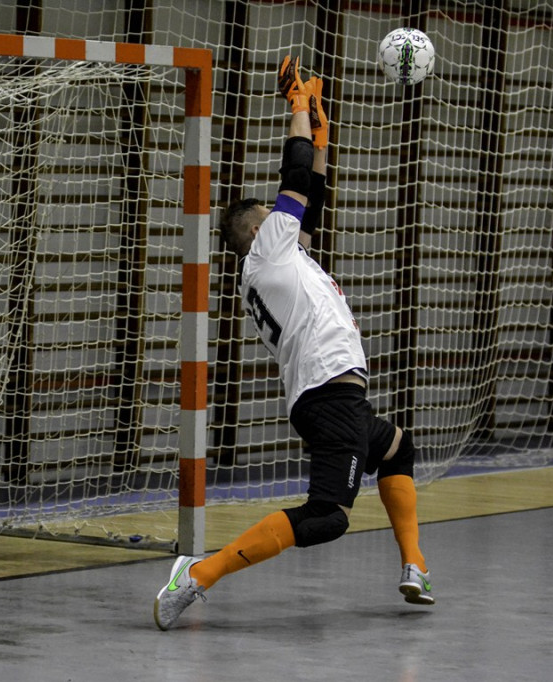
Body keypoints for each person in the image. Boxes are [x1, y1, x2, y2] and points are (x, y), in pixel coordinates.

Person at [153, 56, 434, 631]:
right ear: (260, 228)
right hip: (330, 394)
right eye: (276, 212)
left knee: (396, 448)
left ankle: (415, 565)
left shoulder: (279, 258)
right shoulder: (268, 250)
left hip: (330, 397)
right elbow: (297, 175)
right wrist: (298, 108)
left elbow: (314, 190)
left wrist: (323, 129)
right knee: (328, 517)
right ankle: (199, 577)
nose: (289, 211)